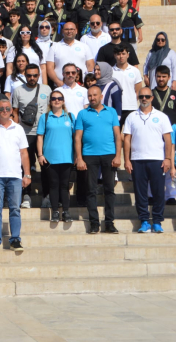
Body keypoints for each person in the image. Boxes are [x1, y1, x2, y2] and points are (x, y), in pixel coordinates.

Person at [0, 98, 31, 252]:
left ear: (11, 111)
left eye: (7, 109)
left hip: (15, 175)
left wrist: (27, 174)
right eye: (1, 108)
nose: (4, 111)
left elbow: (24, 153)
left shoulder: (19, 129)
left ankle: (15, 239)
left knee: (15, 209)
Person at [122, 87, 173, 234]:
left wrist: (168, 158)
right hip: (137, 160)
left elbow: (168, 140)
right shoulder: (131, 116)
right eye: (141, 96)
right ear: (138, 98)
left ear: (152, 98)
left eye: (147, 96)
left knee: (158, 192)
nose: (144, 99)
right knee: (140, 193)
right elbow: (127, 140)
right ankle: (144, 221)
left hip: (157, 160)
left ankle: (157, 221)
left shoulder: (162, 116)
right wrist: (127, 159)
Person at [74, 86, 122, 234]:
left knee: (109, 189)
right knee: (91, 190)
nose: (92, 98)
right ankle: (94, 223)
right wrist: (79, 158)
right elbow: (77, 137)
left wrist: (118, 155)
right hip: (89, 155)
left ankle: (109, 222)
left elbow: (118, 135)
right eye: (89, 95)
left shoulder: (111, 111)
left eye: (95, 95)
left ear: (101, 96)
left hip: (109, 154)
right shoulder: (82, 114)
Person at [10, 64, 52, 209]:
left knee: (46, 166)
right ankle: (26, 195)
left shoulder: (46, 89)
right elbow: (14, 112)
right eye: (29, 75)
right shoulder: (18, 91)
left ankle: (46, 196)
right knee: (24, 168)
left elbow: (50, 110)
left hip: (43, 134)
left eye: (35, 75)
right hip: (25, 135)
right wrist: (16, 132)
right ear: (25, 75)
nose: (32, 78)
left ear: (39, 75)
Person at [37, 91, 76, 223]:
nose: (57, 100)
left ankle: (66, 211)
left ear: (63, 101)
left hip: (67, 157)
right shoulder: (45, 117)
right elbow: (40, 137)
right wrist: (40, 154)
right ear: (50, 101)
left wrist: (77, 155)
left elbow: (76, 137)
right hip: (50, 158)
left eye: (59, 98)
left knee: (64, 186)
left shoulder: (70, 117)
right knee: (53, 185)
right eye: (54, 98)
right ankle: (54, 211)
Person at [46, 22, 94, 87]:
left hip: (81, 86)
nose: (69, 31)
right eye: (66, 29)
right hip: (60, 86)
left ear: (76, 31)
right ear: (62, 31)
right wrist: (58, 82)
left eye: (72, 29)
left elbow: (90, 65)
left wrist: (86, 81)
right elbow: (49, 68)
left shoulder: (84, 46)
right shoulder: (54, 47)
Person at [112, 45, 142, 125]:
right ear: (115, 55)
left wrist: (132, 100)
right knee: (117, 134)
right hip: (116, 108)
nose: (121, 56)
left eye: (123, 53)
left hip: (131, 107)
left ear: (128, 55)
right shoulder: (111, 71)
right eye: (118, 54)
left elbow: (138, 90)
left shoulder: (135, 71)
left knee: (131, 134)